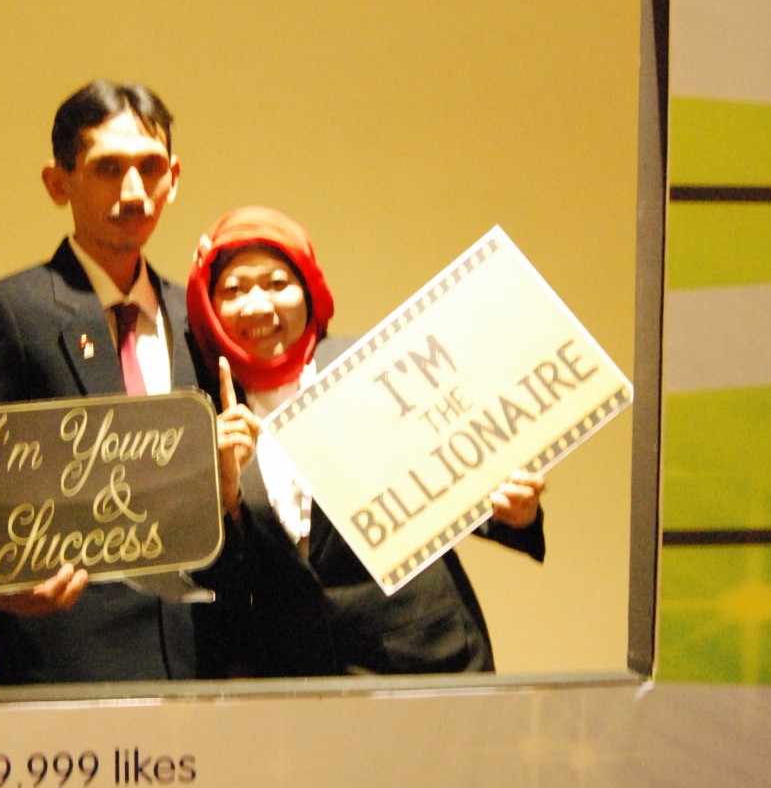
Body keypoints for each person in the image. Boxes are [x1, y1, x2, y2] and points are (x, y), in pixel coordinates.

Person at [0, 81, 258, 686]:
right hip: (70, 663)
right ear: (58, 182)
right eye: (107, 168)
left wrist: (232, 495)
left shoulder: (201, 318)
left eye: (150, 167)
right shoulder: (12, 314)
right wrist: (2, 588)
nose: (134, 190)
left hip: (207, 657)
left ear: (174, 177)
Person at [186, 206, 546, 676]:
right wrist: (226, 494)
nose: (257, 306)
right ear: (209, 306)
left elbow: (458, 475)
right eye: (234, 290)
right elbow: (219, 582)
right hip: (298, 680)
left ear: (309, 290)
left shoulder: (376, 368)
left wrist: (516, 512)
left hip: (427, 657)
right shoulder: (201, 415)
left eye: (277, 283)